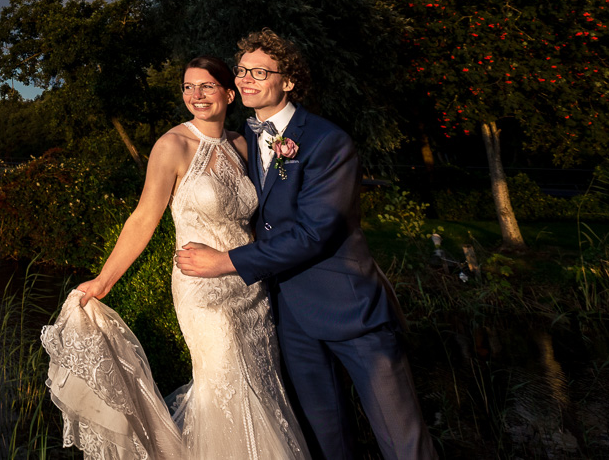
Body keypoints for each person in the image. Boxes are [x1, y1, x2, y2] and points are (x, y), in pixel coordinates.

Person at [175, 29, 435, 460]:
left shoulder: (328, 141)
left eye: (260, 71)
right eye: (241, 71)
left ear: (288, 81)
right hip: (287, 319)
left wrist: (226, 261)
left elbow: (315, 232)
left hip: (352, 313)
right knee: (325, 444)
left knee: (404, 444)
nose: (245, 79)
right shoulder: (240, 140)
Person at [41, 55, 309, 460]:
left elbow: (258, 218)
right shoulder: (172, 145)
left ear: (229, 93)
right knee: (227, 379)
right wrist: (103, 281)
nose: (196, 95)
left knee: (260, 381)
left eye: (206, 86)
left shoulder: (243, 144)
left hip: (250, 287)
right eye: (187, 87)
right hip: (201, 291)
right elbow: (143, 218)